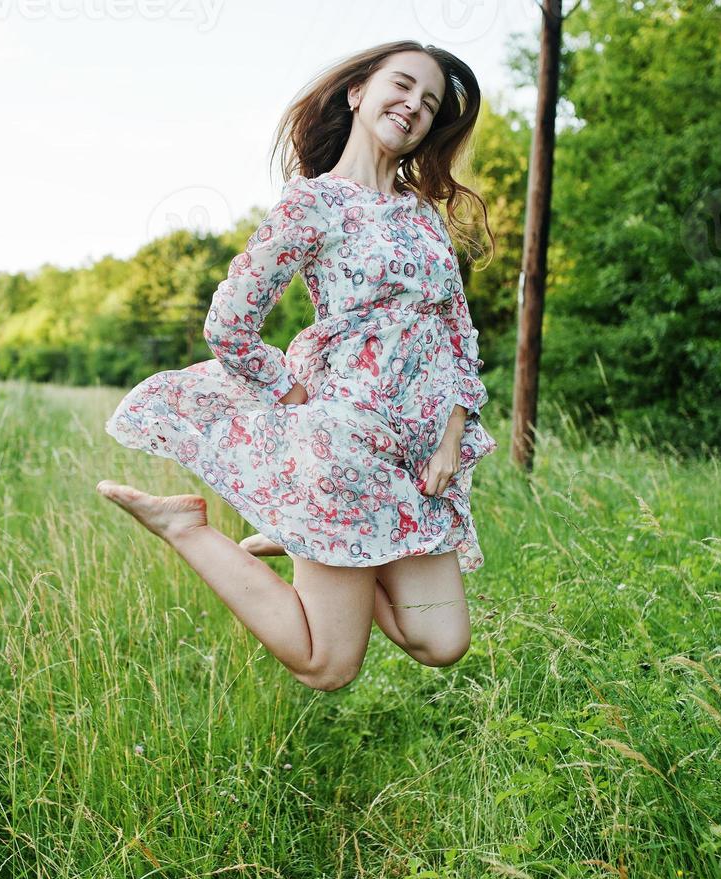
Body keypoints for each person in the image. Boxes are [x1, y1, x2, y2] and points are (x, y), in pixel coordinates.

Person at [98, 41, 499, 692]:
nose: (413, 107)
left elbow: (457, 330)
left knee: (441, 640)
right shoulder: (310, 205)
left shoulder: (421, 215)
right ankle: (184, 528)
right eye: (401, 86)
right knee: (326, 665)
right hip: (342, 451)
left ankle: (301, 536)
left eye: (428, 104)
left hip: (417, 456)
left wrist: (452, 434)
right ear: (356, 93)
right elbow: (228, 325)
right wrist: (296, 399)